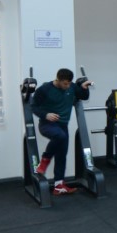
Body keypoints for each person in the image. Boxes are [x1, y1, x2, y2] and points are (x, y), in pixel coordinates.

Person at [31, 68, 92, 196]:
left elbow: (84, 96)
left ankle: (59, 185)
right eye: (65, 83)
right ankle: (45, 160)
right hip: (47, 124)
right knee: (60, 136)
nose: (67, 86)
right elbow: (34, 106)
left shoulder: (72, 87)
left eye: (69, 83)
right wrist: (46, 114)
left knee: (61, 155)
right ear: (58, 80)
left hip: (63, 126)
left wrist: (84, 88)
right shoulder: (45, 89)